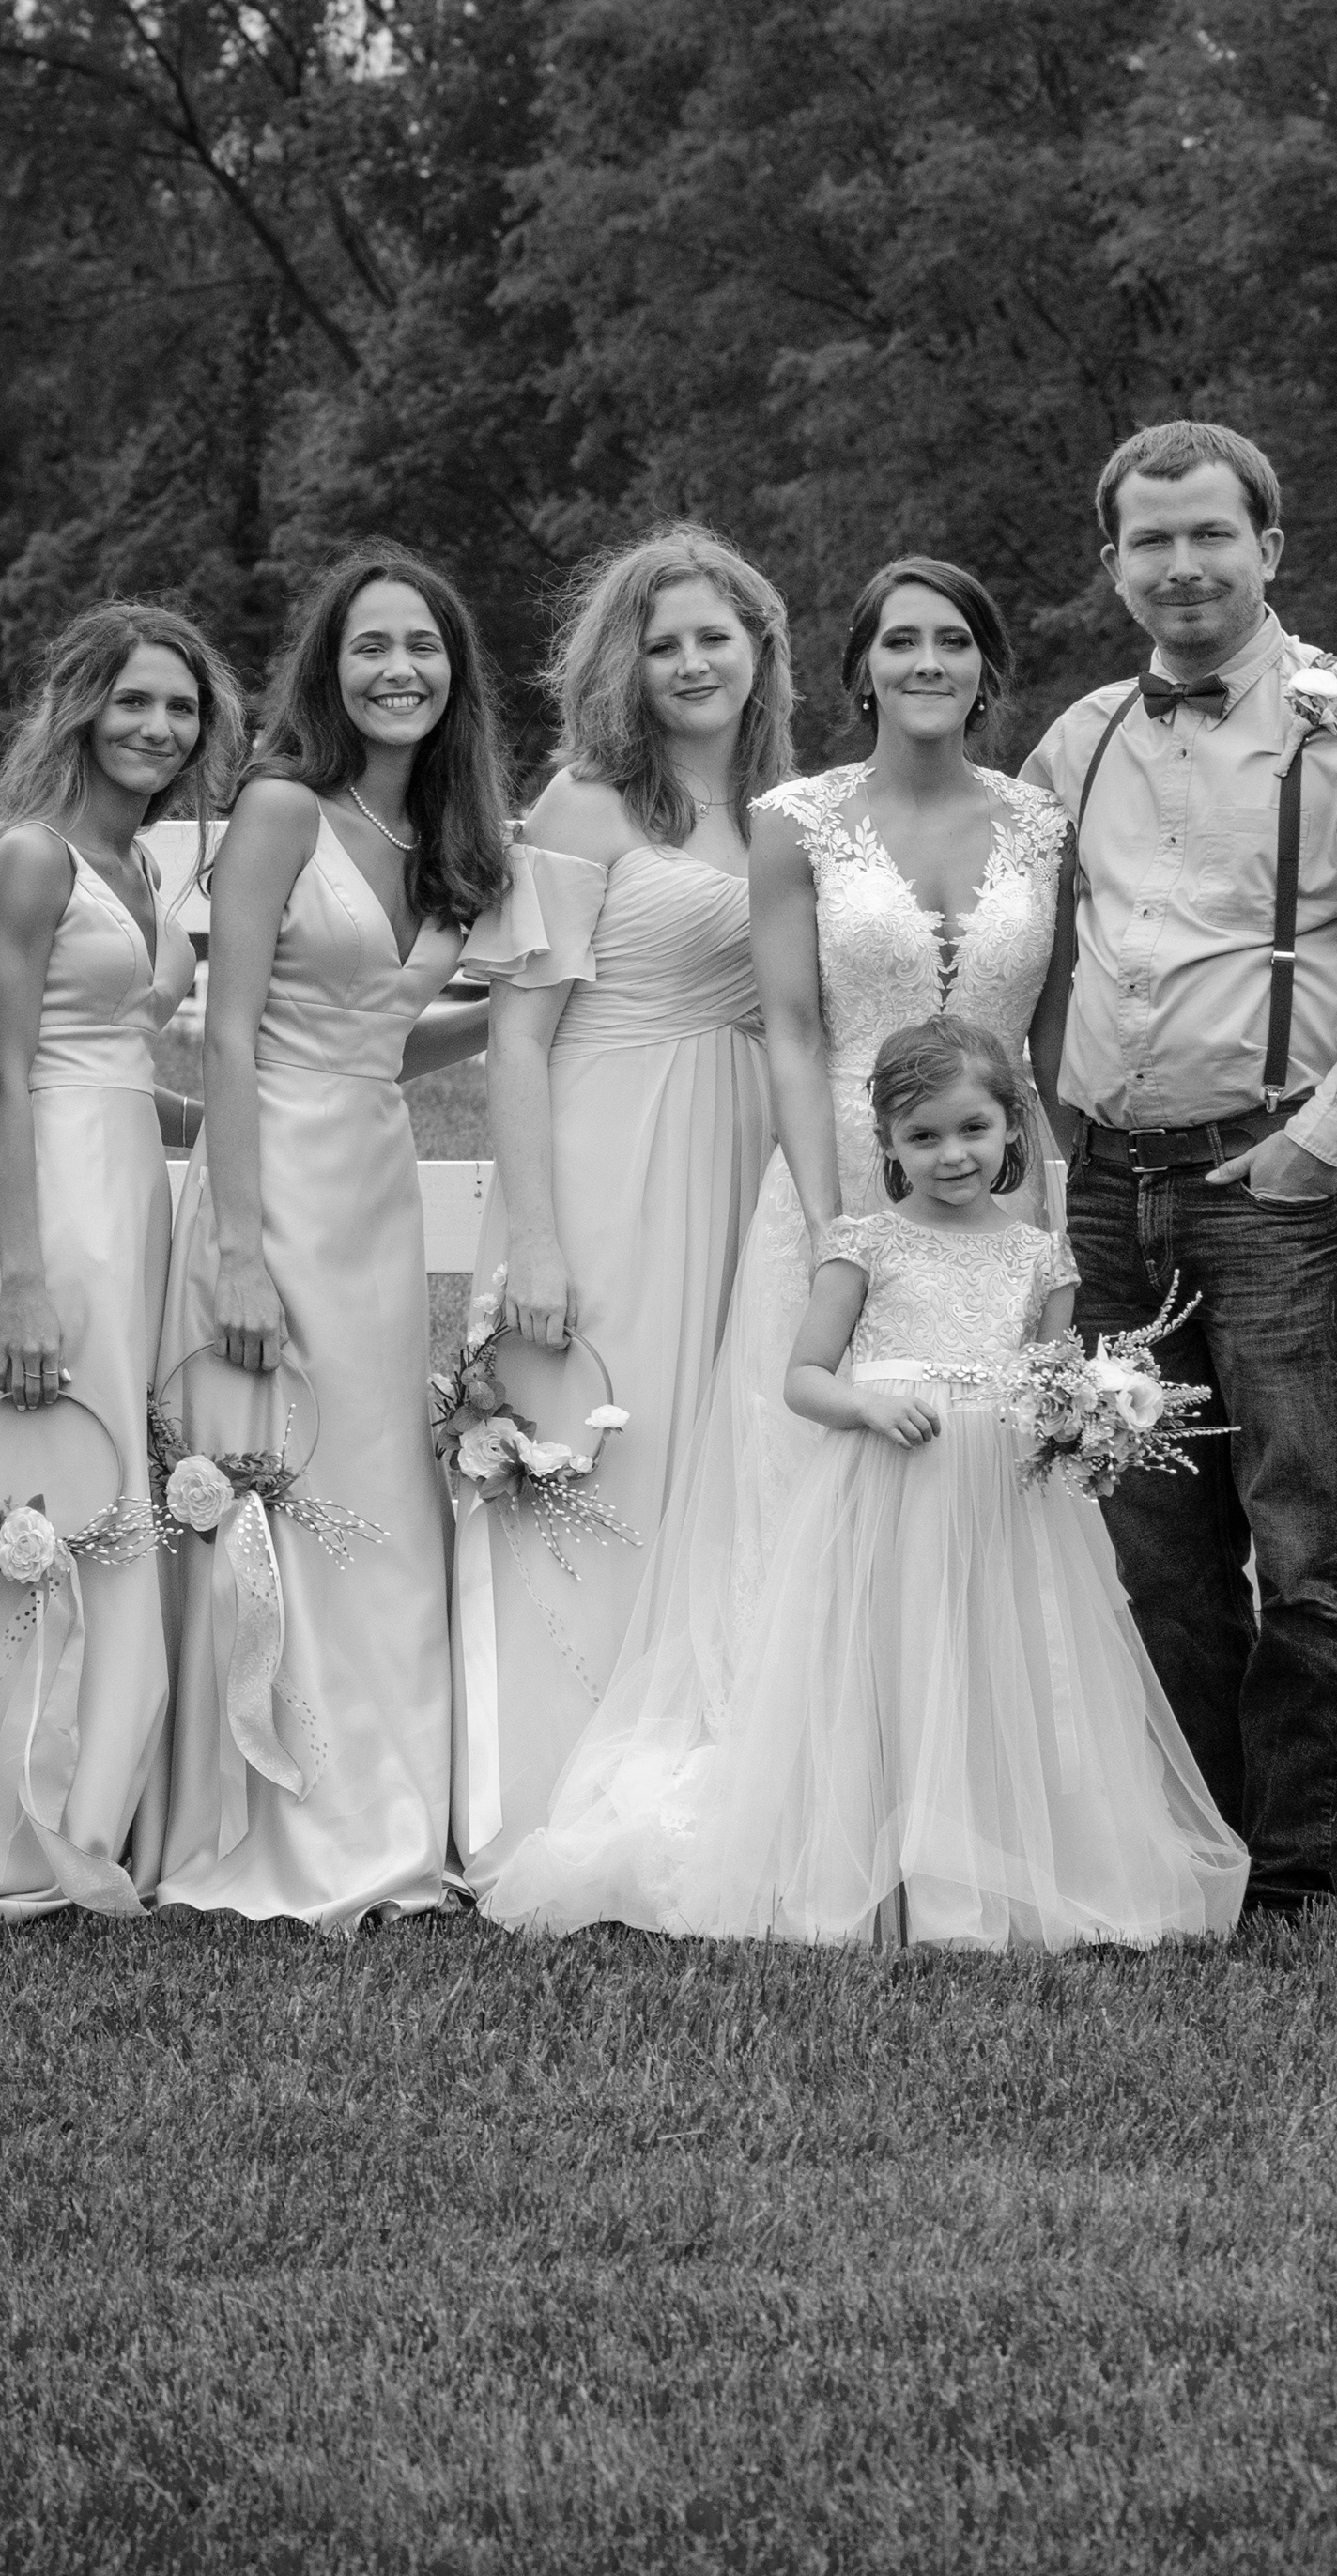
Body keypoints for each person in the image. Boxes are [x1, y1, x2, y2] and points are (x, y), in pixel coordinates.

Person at [483, 553, 1073, 1928]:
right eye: (665, 642)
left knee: (975, 1472)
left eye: (954, 640)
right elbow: (781, 1026)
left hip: (983, 1180)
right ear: (858, 666)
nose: (927, 664)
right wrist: (831, 1215)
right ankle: (798, 1783)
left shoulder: (1027, 821)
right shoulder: (758, 814)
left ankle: (965, 1790)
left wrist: (1045, 1219)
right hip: (807, 1167)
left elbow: (1047, 1045)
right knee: (777, 1471)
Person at [486, 1020, 1246, 1949]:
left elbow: (1046, 1376)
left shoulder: (1042, 1257)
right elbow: (803, 1377)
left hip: (1000, 1506)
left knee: (992, 1666)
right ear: (885, 1142)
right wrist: (867, 1406)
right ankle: (879, 1863)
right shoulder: (863, 1247)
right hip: (889, 1491)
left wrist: (1081, 1417)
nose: (951, 1154)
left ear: (1012, 1125)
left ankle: (996, 1862)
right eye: (922, 1135)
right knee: (893, 1667)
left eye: (972, 1128)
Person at [1022, 420, 1337, 1917]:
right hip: (1112, 1188)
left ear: (1269, 548)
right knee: (1155, 1543)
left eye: (1210, 534)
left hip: (1277, 1182)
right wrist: (1049, 1129)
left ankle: (1297, 1861)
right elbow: (1030, 944)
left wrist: (1319, 1142)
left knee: (1302, 1540)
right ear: (1113, 564)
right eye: (1151, 540)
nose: (1183, 565)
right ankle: (1193, 1843)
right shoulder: (1080, 736)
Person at [152, 546, 502, 1935]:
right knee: (277, 1477)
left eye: (422, 645)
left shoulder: (448, 833)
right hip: (272, 1182)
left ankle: (395, 1802)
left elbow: (378, 1040)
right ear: (328, 667)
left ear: (454, 669)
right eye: (370, 646)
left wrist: (531, 1014)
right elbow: (231, 1035)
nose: (398, 669)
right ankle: (283, 1813)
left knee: (380, 1490)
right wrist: (238, 1251)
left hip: (373, 1180)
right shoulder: (282, 807)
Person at [0, 605, 228, 1920]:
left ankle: (89, 1801)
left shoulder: (138, 864)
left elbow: (111, 1061)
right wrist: (22, 1277)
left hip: (128, 1197)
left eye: (181, 707)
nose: (159, 727)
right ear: (80, 706)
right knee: (32, 1476)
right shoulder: (29, 856)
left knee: (110, 1479)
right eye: (134, 700)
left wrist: (239, 1125)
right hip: (52, 1215)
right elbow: (8, 1076)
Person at [455, 529, 790, 1876]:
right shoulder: (586, 803)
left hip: (744, 1150)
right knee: (608, 1443)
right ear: (624, 666)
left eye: (715, 635)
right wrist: (535, 1239)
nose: (692, 663)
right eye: (663, 644)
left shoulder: (789, 809)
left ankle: (702, 1761)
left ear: (760, 647)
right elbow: (517, 1034)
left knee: (723, 1450)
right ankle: (547, 1787)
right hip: (606, 1154)